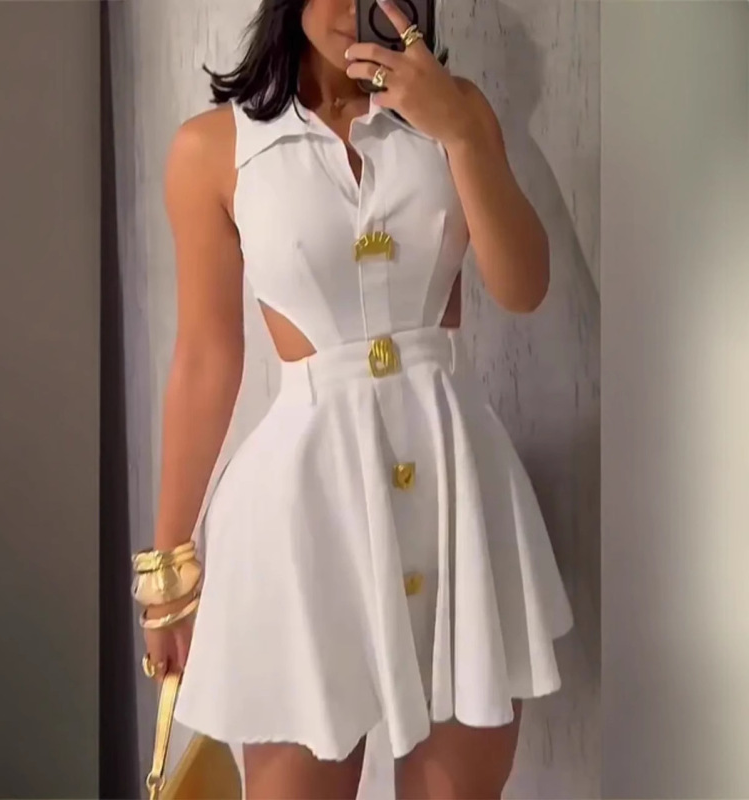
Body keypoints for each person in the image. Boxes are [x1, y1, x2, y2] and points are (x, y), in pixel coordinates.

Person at [132, 0, 573, 797]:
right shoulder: (213, 149)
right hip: (302, 520)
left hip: (457, 501)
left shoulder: (455, 113)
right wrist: (167, 575)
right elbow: (206, 358)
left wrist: (461, 133)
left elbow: (523, 286)